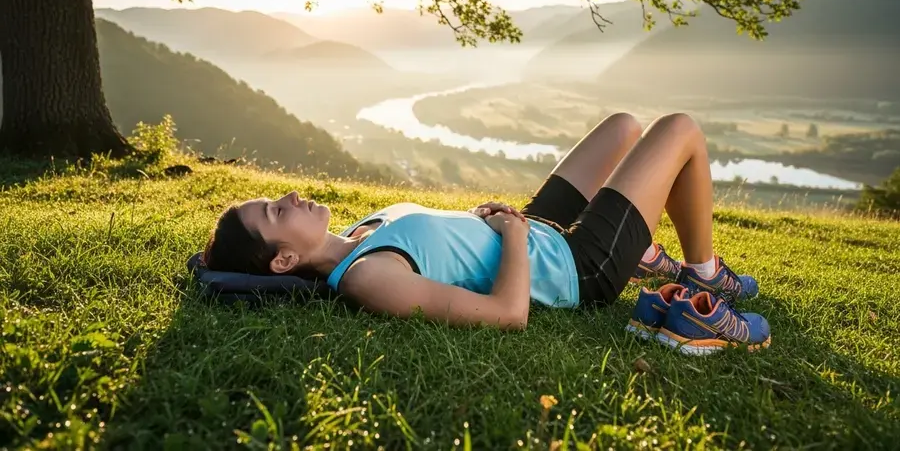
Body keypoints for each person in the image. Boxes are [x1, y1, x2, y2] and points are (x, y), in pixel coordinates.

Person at [204, 112, 769, 351]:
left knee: (623, 126)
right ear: (282, 262)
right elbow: (508, 316)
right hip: (574, 266)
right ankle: (703, 273)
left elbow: (445, 247)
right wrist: (516, 237)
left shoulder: (360, 232)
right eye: (276, 213)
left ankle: (643, 249)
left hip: (531, 228)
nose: (290, 198)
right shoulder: (368, 278)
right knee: (680, 129)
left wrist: (482, 221)